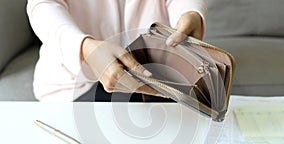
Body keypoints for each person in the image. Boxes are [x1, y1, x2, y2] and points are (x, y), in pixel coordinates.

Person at [27, 0, 206, 102]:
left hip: (156, 76)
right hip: (74, 84)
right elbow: (44, 6)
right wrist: (84, 47)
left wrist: (190, 13)